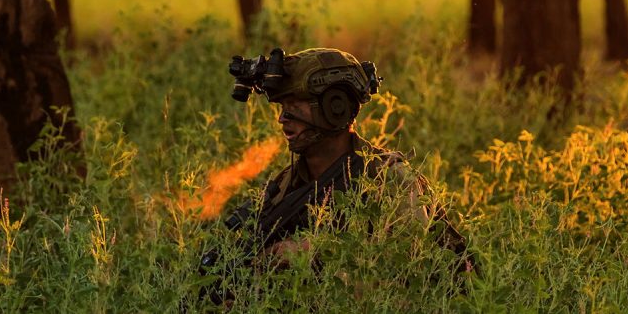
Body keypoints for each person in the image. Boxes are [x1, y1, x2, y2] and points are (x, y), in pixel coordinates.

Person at [199, 48, 468, 303]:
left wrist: (313, 250)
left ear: (334, 107)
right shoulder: (285, 184)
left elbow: (411, 267)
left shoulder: (388, 178)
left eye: (295, 105)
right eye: (282, 107)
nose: (283, 118)